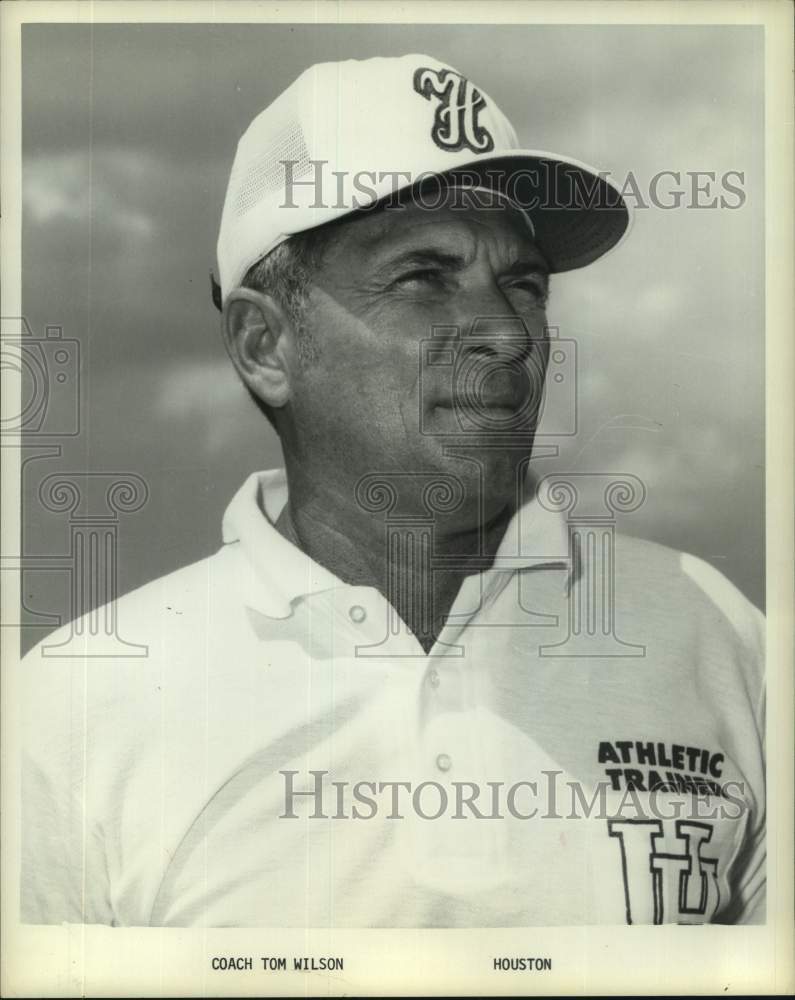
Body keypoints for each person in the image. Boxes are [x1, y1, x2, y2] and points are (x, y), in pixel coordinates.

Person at [20, 53, 765, 927]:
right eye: (423, 278)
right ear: (265, 345)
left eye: (523, 285)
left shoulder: (719, 638)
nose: (506, 335)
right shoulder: (78, 705)